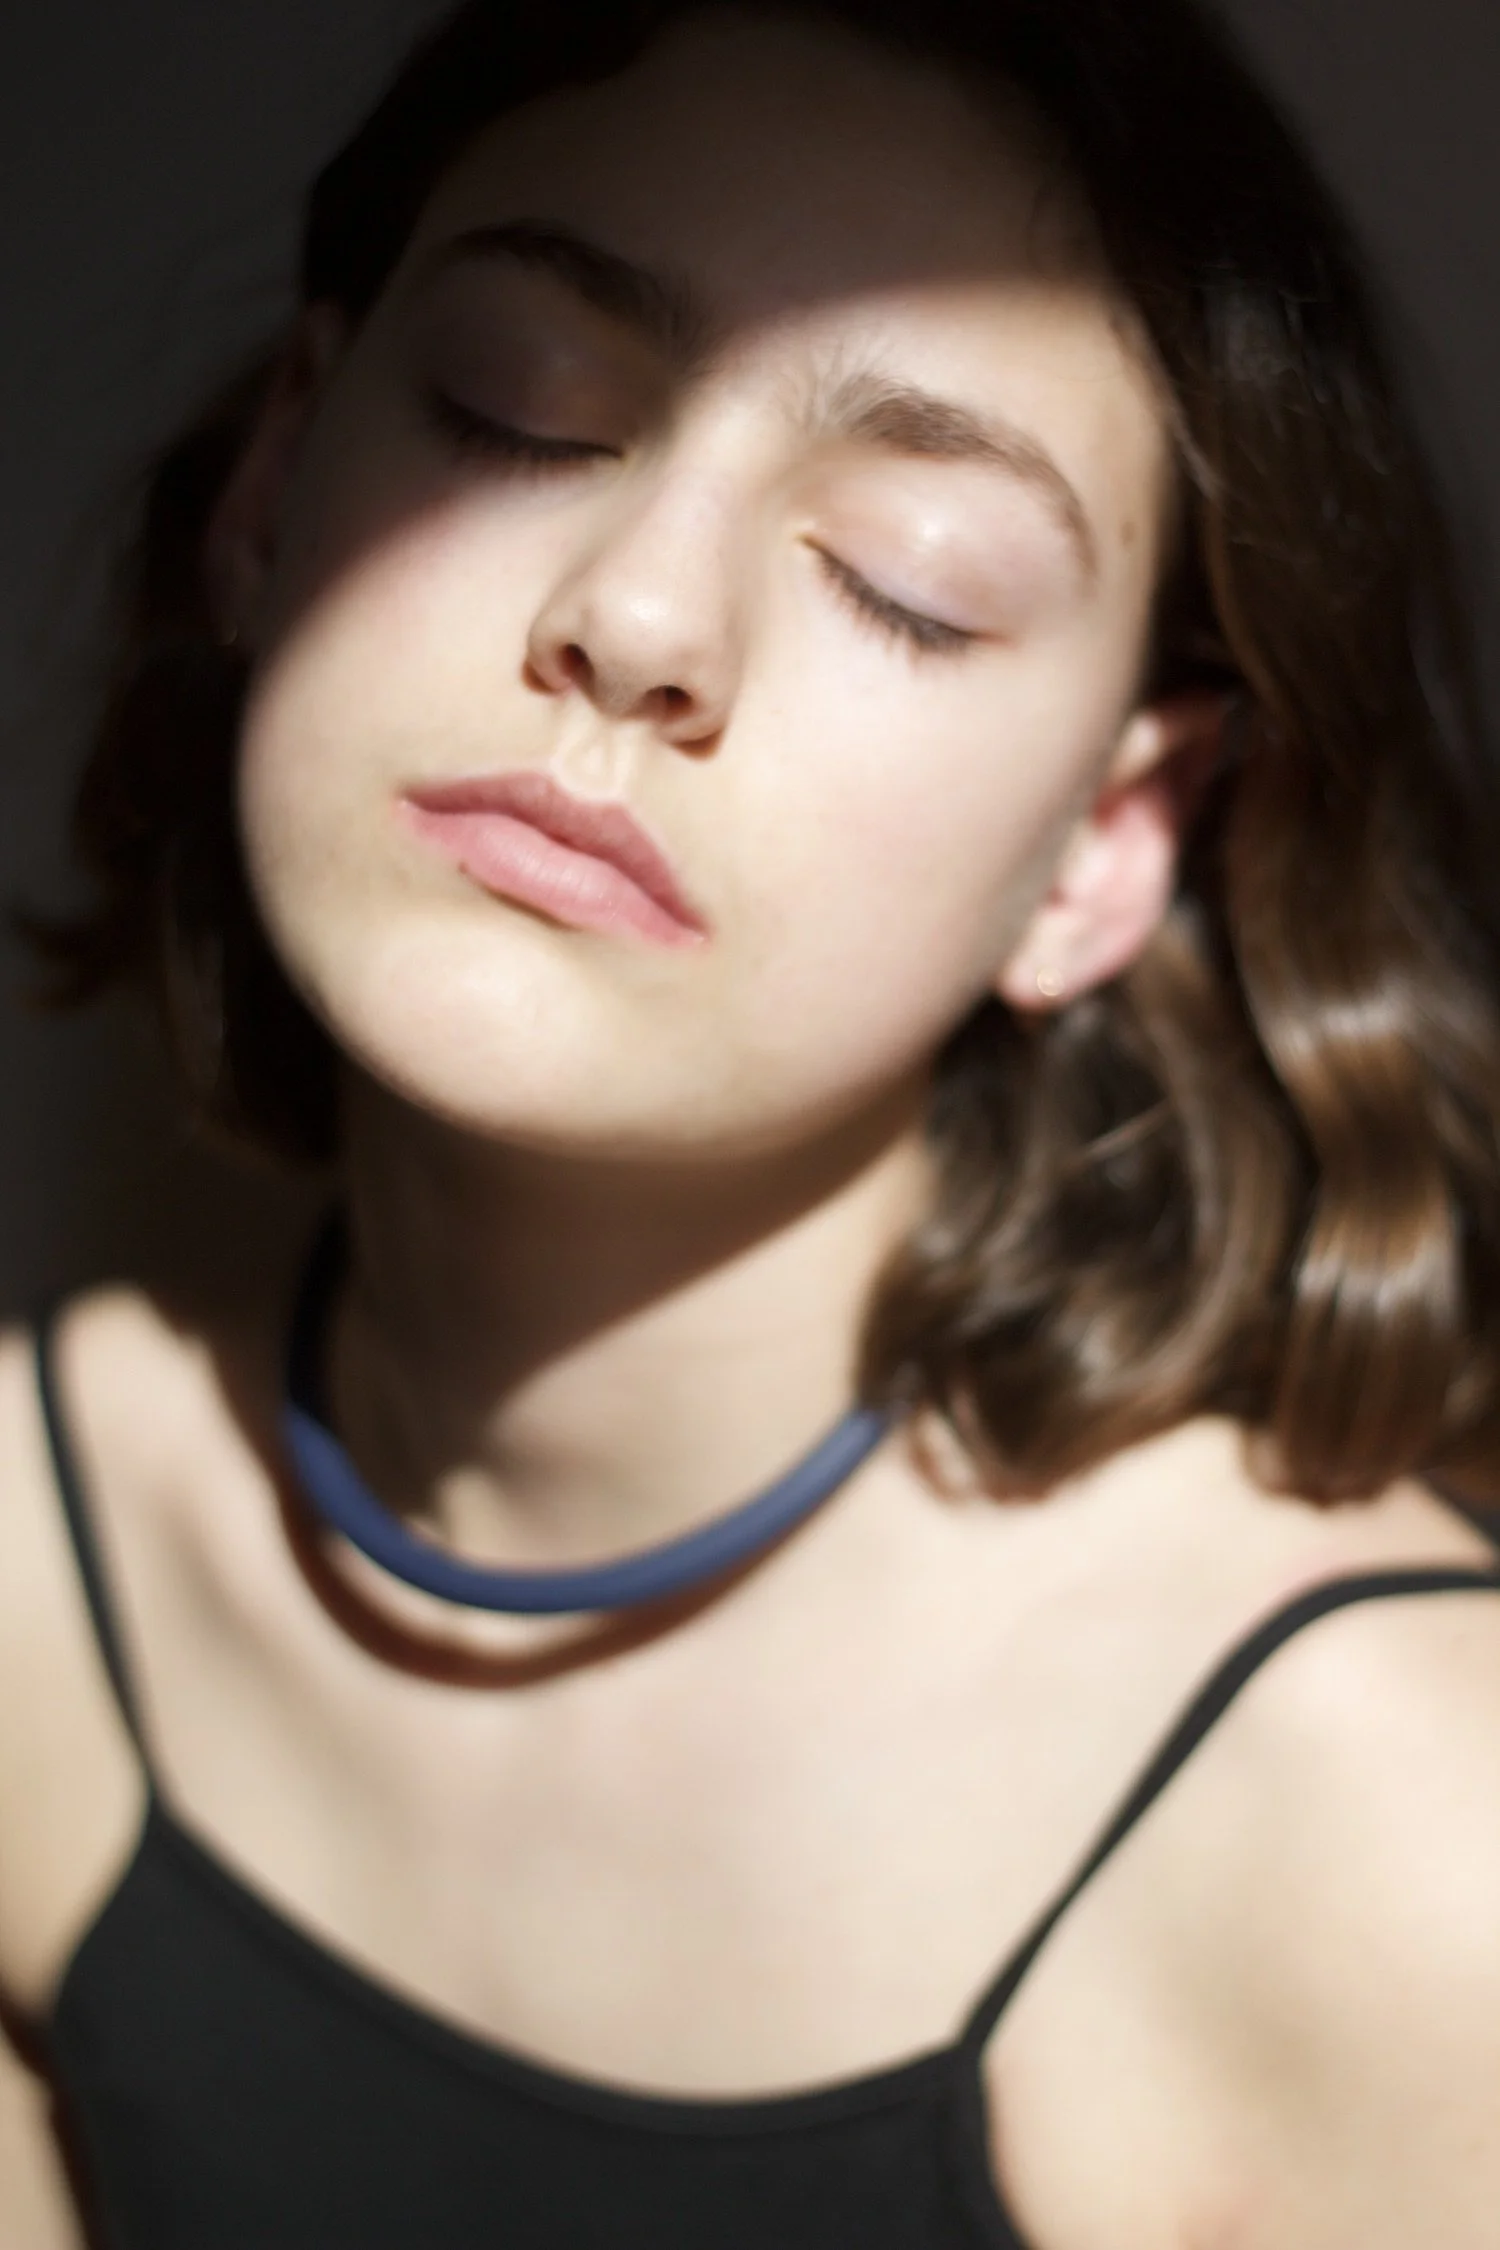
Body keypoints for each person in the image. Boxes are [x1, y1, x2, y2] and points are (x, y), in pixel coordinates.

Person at [3, 0, 1499, 2240]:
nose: (634, 621)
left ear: (1111, 842)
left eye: (908, 575)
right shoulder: (35, 1560)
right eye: (522, 413)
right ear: (271, 487)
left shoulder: (1393, 1831)